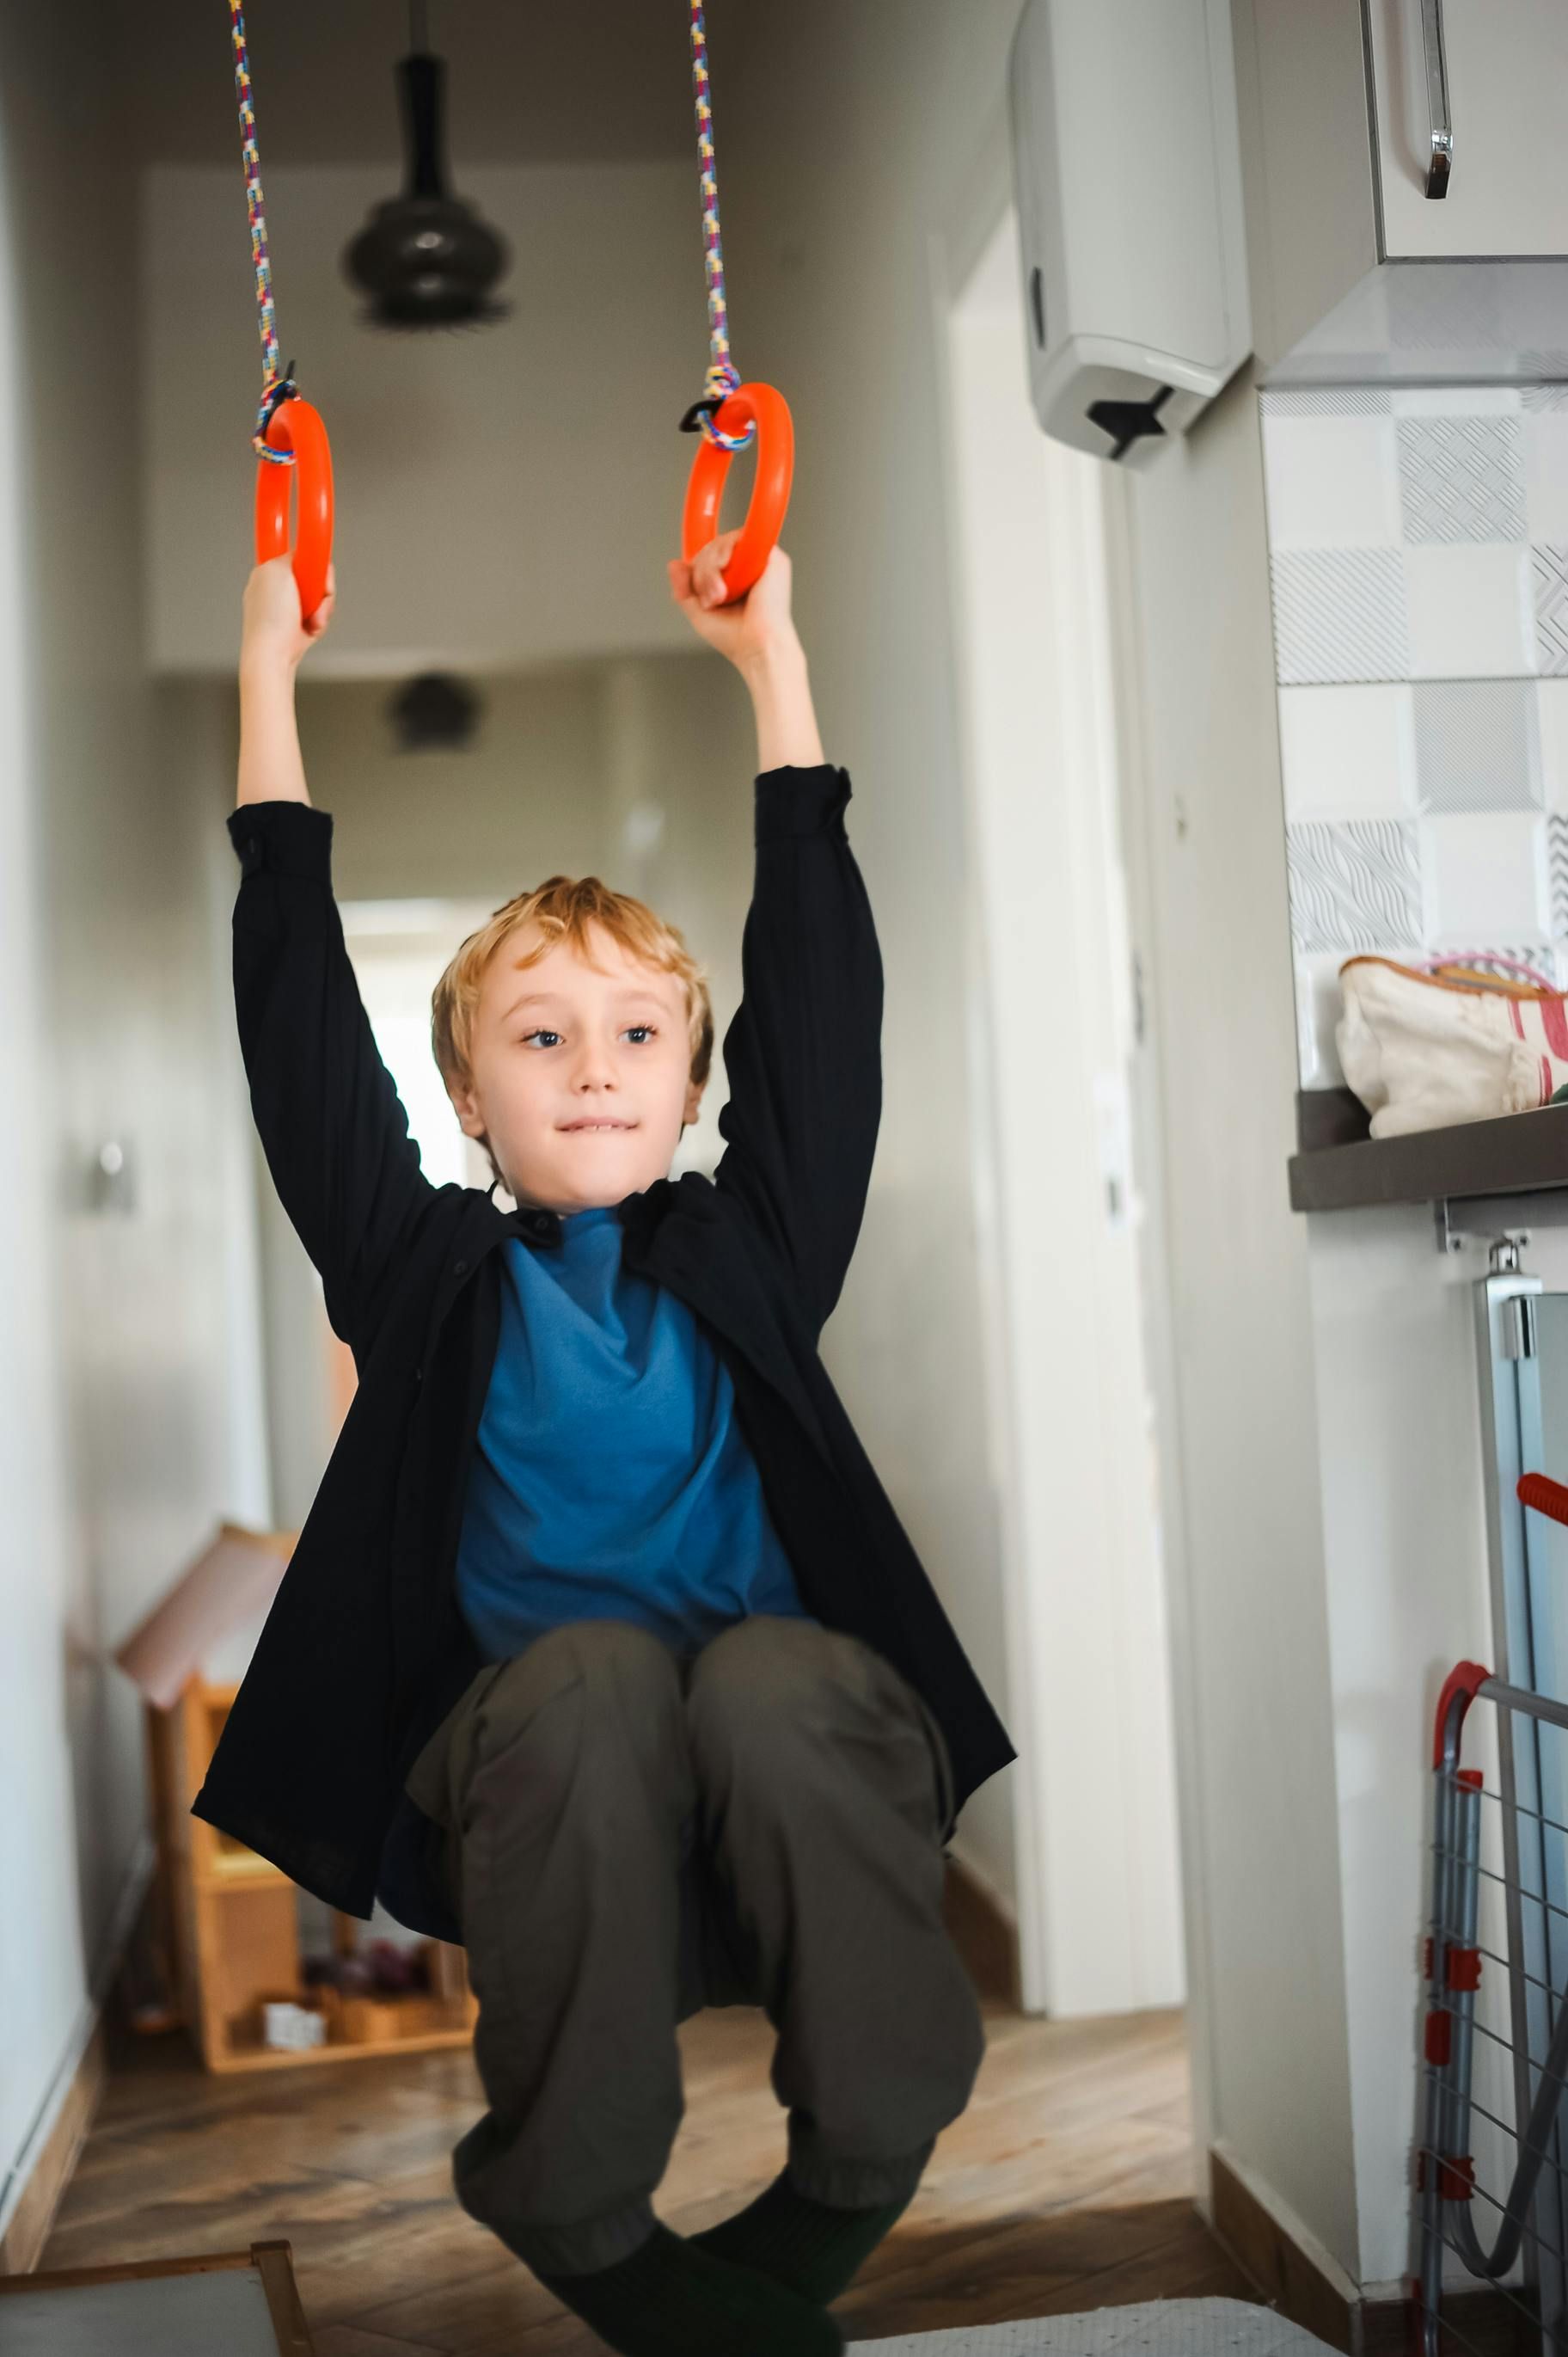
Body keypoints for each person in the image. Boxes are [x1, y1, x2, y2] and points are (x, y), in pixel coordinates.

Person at [198, 529, 1017, 2357]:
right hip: (550, 1776)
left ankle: (857, 2167)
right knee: (583, 1679)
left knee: (778, 1679)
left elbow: (827, 1016)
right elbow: (296, 1029)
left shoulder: (750, 1250)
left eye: (639, 1030)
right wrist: (268, 661)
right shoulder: (423, 1273)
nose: (592, 1063)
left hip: (775, 1757)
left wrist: (770, 661)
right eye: (541, 1033)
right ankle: (580, 2207)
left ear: (690, 1080)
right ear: (470, 1096)